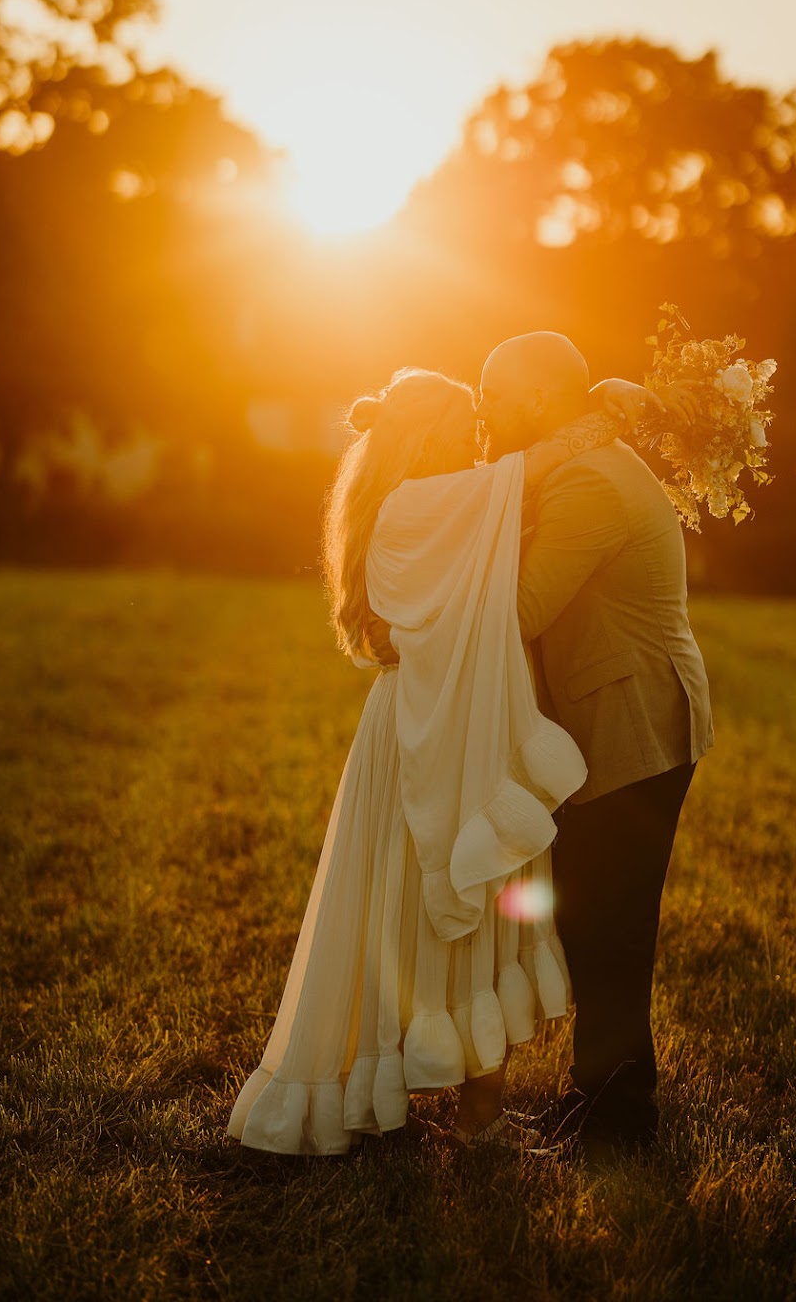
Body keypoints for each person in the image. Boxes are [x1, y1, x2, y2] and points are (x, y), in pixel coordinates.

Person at [228, 366, 635, 1156]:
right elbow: (536, 468)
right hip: (434, 723)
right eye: (467, 428)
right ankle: (464, 1101)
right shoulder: (421, 504)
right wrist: (605, 415)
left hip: (434, 712)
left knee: (420, 902)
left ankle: (454, 1093)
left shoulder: (411, 504)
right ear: (430, 436)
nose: (481, 442)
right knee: (438, 901)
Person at [476, 331, 714, 1158]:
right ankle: (602, 1096)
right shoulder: (583, 463)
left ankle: (618, 1120)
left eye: (494, 396)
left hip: (636, 721)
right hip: (625, 715)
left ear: (540, 398)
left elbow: (523, 606)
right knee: (596, 918)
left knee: (608, 925)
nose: (484, 413)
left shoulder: (588, 483)